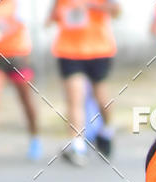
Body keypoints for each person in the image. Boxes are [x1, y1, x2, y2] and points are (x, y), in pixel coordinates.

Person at [46, 0, 120, 165]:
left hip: (98, 49)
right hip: (69, 50)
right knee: (74, 98)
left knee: (100, 96)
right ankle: (77, 146)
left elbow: (116, 11)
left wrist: (91, 6)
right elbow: (51, 18)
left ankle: (107, 130)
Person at [0, 0, 42, 164]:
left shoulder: (16, 4)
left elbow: (24, 23)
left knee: (26, 100)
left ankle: (35, 138)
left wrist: (3, 29)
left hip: (17, 55)